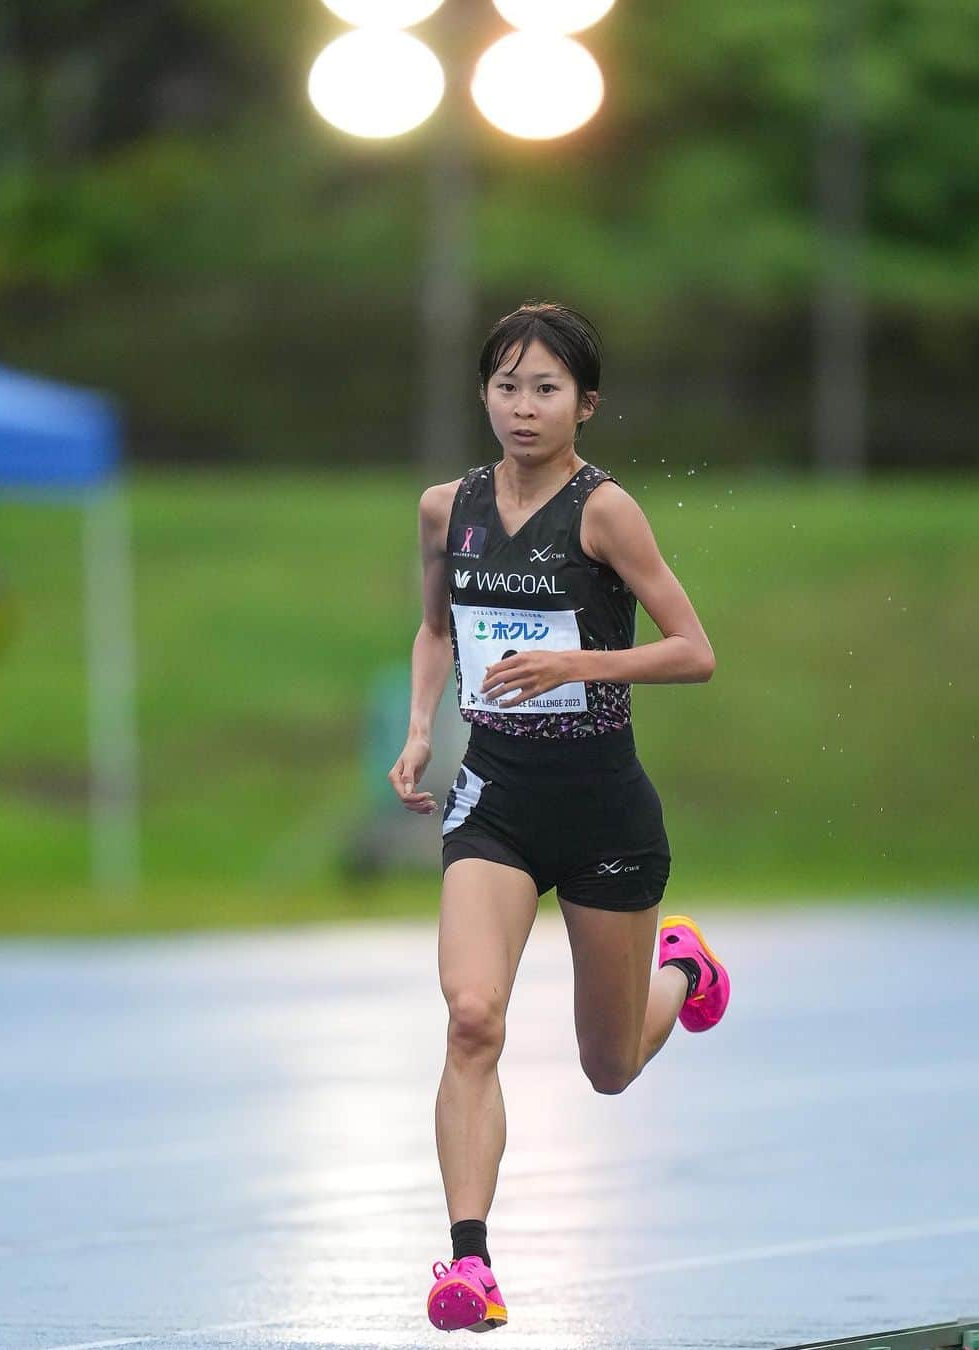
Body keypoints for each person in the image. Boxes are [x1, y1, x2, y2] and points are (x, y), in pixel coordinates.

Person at [388, 301, 730, 1334]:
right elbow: (436, 627)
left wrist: (582, 661)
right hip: (494, 795)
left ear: (585, 403)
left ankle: (686, 971)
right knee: (471, 1016)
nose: (523, 407)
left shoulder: (606, 513)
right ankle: (469, 1266)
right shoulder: (448, 508)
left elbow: (694, 650)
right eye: (505, 386)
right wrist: (417, 730)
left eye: (545, 389)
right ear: (483, 394)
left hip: (603, 809)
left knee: (610, 1067)